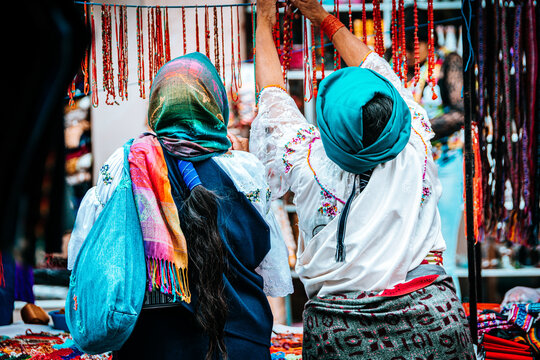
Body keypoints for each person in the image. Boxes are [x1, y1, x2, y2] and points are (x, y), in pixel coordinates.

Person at [251, 0, 474, 358]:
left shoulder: (306, 161)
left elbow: (273, 96)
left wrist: (263, 22)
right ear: (393, 113)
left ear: (326, 129)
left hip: (342, 338)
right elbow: (376, 69)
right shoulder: (414, 140)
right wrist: (322, 17)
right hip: (435, 330)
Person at [67, 53, 292, 360]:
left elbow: (87, 255)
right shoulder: (245, 171)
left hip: (151, 345)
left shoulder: (126, 165)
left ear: (158, 106)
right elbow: (269, 270)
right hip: (240, 342)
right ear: (216, 105)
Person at [386, 7, 465, 295]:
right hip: (403, 168)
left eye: (411, 48)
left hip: (444, 164)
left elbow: (461, 112)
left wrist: (414, 131)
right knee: (404, 252)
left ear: (426, 41)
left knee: (441, 252)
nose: (406, 55)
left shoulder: (448, 62)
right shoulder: (389, 62)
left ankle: (451, 322)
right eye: (401, 48)